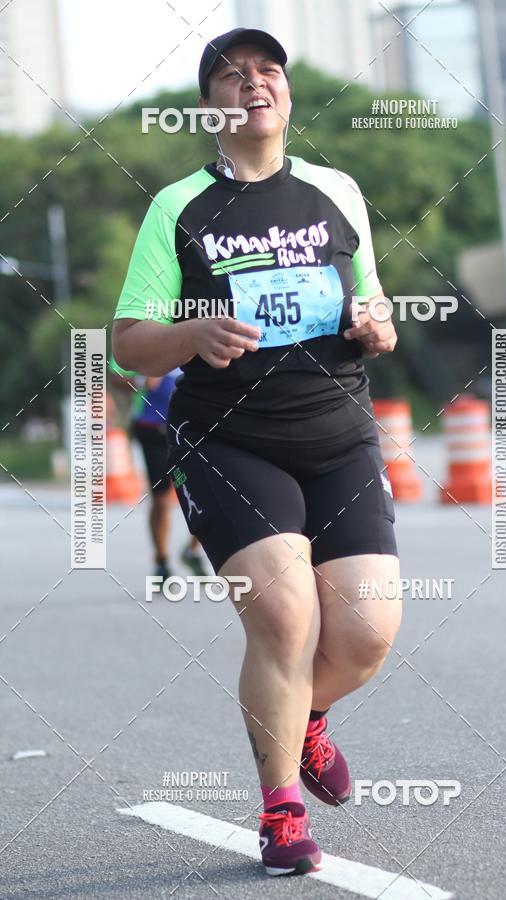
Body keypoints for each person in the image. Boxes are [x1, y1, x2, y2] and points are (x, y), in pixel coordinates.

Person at [111, 27, 402, 877]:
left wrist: (376, 326)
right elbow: (129, 342)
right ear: (211, 107)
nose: (253, 85)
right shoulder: (178, 207)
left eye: (267, 72)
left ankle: (302, 720)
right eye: (232, 77)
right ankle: (279, 813)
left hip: (341, 436)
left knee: (366, 635)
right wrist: (190, 332)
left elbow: (377, 312)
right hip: (228, 441)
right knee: (283, 617)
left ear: (285, 93)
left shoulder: (335, 189)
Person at [108, 360, 208, 581]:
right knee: (162, 499)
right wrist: (142, 380)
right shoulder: (141, 328)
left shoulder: (195, 326)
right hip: (153, 428)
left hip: (191, 426)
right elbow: (115, 375)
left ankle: (192, 551)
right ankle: (161, 561)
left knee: (209, 494)